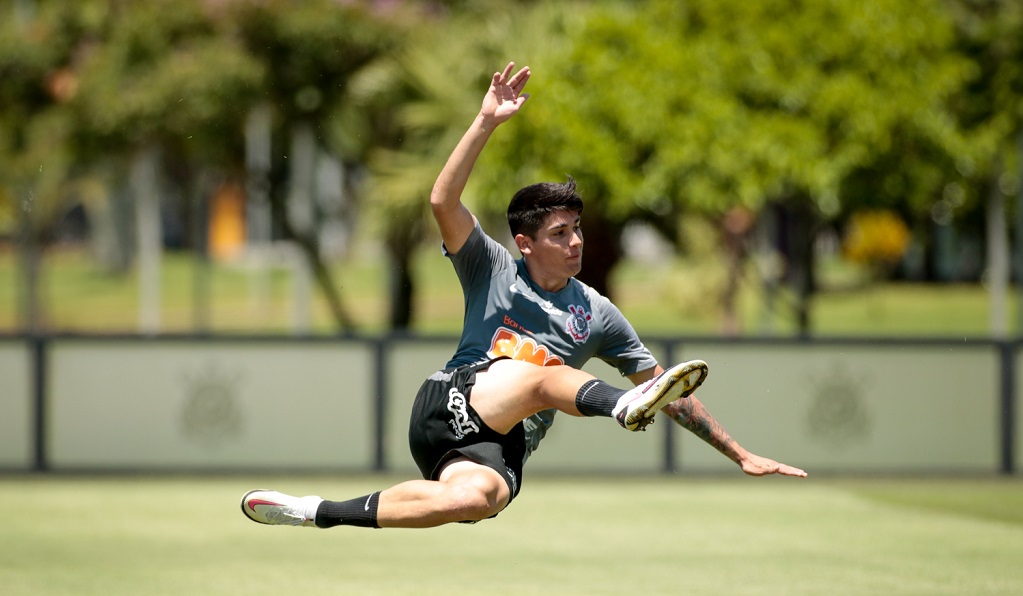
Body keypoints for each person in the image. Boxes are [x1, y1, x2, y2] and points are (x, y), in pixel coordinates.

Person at [241, 62, 806, 530]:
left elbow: (671, 392)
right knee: (538, 375)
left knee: (471, 502)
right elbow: (442, 201)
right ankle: (617, 407)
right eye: (560, 234)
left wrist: (740, 453)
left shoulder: (598, 314)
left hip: (497, 448)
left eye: (578, 230)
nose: (576, 242)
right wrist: (486, 121)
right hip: (452, 402)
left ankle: (316, 512)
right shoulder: (490, 266)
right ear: (525, 243)